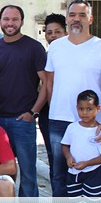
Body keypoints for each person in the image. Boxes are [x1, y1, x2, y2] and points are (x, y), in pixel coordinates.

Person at [45, 0, 101, 197]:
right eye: (72, 15)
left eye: (82, 15)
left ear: (90, 19)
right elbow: (49, 83)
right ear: (67, 18)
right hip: (59, 120)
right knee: (59, 174)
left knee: (98, 175)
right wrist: (55, 107)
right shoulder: (55, 47)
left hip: (94, 124)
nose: (76, 19)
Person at [0, 5, 47, 197]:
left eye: (14, 19)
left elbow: (46, 83)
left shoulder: (34, 48)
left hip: (22, 120)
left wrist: (34, 112)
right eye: (6, 19)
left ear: (22, 22)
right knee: (1, 173)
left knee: (28, 173)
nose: (10, 23)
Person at [39, 13, 67, 171]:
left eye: (58, 31)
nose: (53, 36)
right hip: (48, 113)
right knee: (54, 158)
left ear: (65, 32)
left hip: (72, 111)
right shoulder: (45, 56)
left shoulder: (74, 54)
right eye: (49, 33)